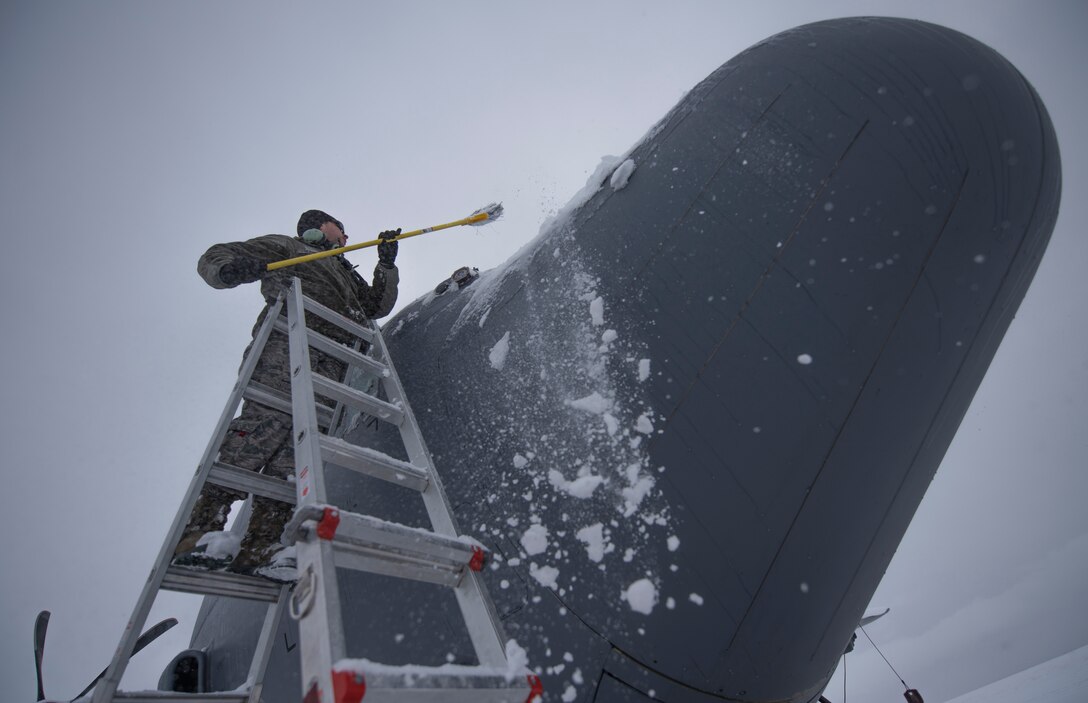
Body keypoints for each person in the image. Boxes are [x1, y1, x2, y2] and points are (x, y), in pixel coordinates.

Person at [173, 209, 400, 580]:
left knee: (298, 454)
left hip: (333, 363)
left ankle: (263, 546)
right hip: (289, 346)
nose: (345, 237)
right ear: (321, 226)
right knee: (262, 430)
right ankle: (200, 531)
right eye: (341, 229)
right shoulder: (289, 248)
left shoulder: (343, 271)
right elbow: (216, 256)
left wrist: (386, 265)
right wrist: (229, 270)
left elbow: (377, 306)